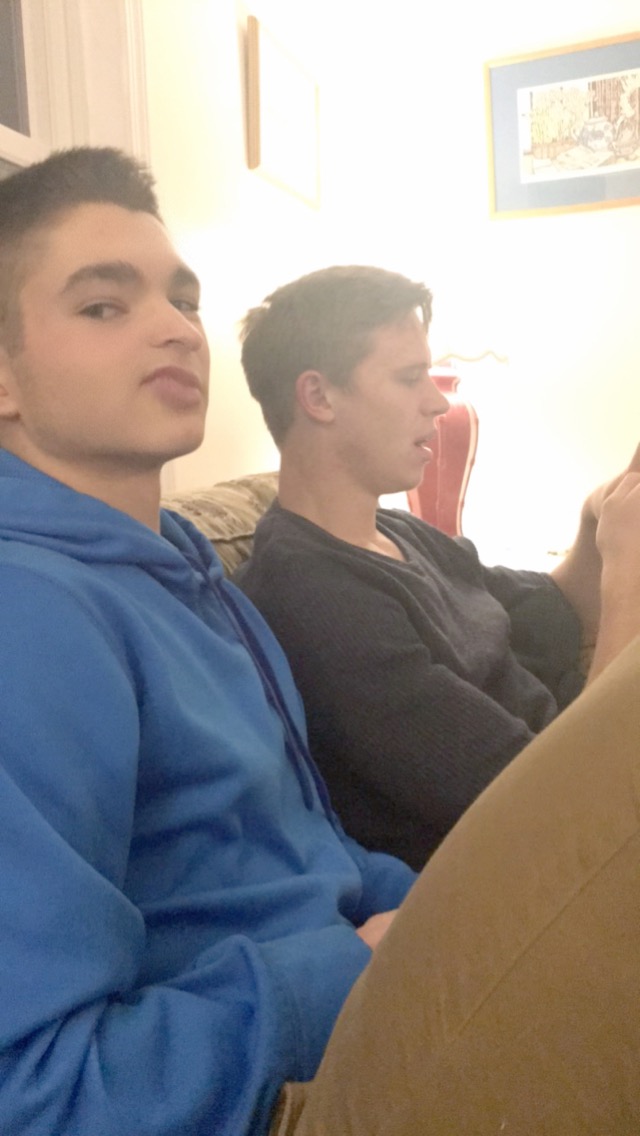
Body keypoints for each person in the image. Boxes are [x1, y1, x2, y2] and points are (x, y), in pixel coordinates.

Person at [0, 148, 638, 1136]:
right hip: (272, 1092)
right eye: (104, 305)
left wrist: (439, 920)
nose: (176, 327)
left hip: (367, 988)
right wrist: (348, 967)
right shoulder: (30, 616)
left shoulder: (191, 578)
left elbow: (317, 847)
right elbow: (38, 1094)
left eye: (182, 298)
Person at [236, 265, 640, 868]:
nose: (437, 401)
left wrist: (599, 515)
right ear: (318, 397)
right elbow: (560, 804)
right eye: (410, 378)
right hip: (532, 864)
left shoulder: (399, 533)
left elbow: (552, 609)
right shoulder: (314, 600)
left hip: (582, 780)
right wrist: (629, 574)